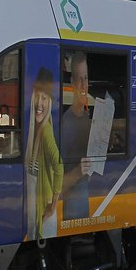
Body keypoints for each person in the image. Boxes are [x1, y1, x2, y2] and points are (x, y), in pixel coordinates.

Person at [26, 67, 62, 240]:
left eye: (44, 98)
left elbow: (59, 166)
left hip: (45, 217)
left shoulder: (46, 130)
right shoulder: (35, 131)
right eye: (37, 96)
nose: (39, 103)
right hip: (36, 215)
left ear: (49, 103)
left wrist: (53, 205)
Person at [60, 50, 93, 220]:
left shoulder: (88, 118)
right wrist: (79, 171)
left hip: (90, 209)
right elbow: (57, 187)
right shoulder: (66, 124)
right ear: (72, 82)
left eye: (85, 78)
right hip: (73, 214)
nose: (83, 85)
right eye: (79, 79)